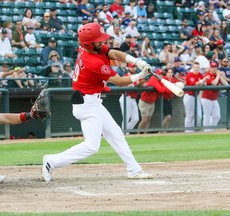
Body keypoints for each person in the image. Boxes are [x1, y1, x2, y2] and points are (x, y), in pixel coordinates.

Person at [42, 23, 152, 182]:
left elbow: (113, 53)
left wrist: (136, 61)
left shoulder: (89, 47)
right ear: (89, 43)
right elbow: (120, 82)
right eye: (98, 41)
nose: (102, 43)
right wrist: (140, 75)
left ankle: (133, 169)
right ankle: (51, 161)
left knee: (115, 134)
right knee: (92, 146)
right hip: (87, 105)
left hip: (92, 102)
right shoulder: (93, 62)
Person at [138, 68, 171, 132]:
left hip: (151, 102)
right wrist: (164, 85)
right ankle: (138, 133)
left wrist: (164, 85)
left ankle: (145, 134)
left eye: (161, 74)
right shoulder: (153, 79)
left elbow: (166, 90)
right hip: (144, 101)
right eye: (159, 74)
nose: (160, 75)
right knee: (144, 119)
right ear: (156, 74)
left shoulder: (160, 80)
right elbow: (161, 90)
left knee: (149, 119)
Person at [201, 61, 228, 132]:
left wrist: (220, 76)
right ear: (210, 68)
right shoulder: (208, 75)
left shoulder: (217, 75)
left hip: (214, 99)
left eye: (215, 67)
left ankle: (210, 130)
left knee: (217, 116)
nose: (214, 69)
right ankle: (206, 131)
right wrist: (218, 75)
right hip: (206, 98)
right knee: (207, 116)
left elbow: (225, 84)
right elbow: (214, 83)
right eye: (212, 67)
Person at [183, 62, 208, 133]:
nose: (197, 69)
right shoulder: (190, 75)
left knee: (199, 116)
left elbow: (204, 83)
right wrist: (202, 81)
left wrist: (203, 81)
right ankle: (187, 131)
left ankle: (192, 129)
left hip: (196, 96)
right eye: (195, 67)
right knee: (189, 115)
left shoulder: (200, 75)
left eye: (198, 67)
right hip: (189, 96)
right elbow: (194, 84)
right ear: (193, 68)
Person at [119, 63, 144, 132]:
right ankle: (123, 133)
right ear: (129, 68)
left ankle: (124, 132)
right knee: (126, 118)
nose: (133, 68)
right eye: (131, 67)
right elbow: (121, 86)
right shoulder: (125, 76)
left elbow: (142, 83)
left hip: (133, 99)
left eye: (134, 67)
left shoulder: (137, 76)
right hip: (125, 98)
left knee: (135, 118)